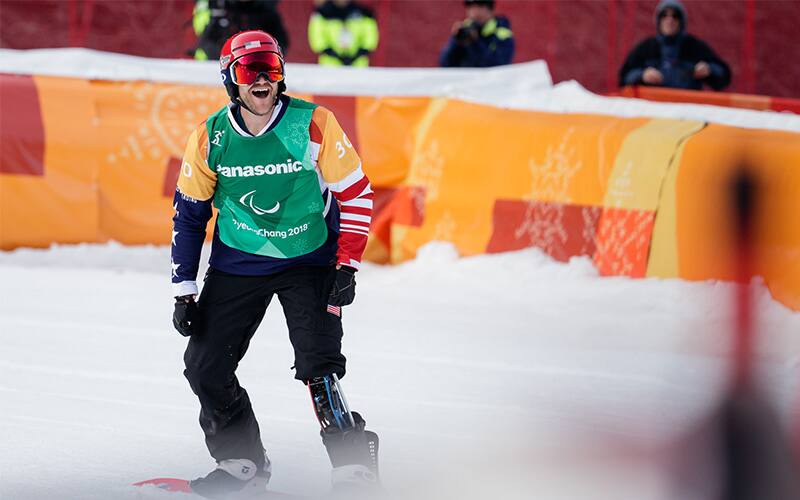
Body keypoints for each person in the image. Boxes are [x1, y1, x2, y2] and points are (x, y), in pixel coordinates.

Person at [171, 30, 379, 499]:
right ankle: (242, 461)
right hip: (239, 262)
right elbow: (189, 216)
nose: (262, 79)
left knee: (318, 361)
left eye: (272, 67)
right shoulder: (210, 138)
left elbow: (356, 192)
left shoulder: (312, 123)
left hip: (309, 258)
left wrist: (346, 266)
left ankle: (352, 463)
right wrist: (183, 290)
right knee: (204, 366)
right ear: (230, 80)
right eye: (249, 70)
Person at [618, 0, 731, 91]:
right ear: (658, 20)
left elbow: (724, 75)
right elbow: (624, 77)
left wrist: (709, 69)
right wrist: (642, 75)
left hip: (688, 109)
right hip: (653, 109)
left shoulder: (695, 47)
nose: (669, 20)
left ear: (682, 21)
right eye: (664, 15)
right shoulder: (646, 48)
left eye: (675, 16)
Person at [192, 0, 289, 60]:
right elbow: (207, 42)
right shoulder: (216, 8)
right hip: (213, 66)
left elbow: (281, 44)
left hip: (254, 68)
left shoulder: (265, 11)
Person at [439, 0, 514, 68]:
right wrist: (456, 40)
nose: (475, 12)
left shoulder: (502, 34)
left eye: (480, 6)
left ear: (491, 9)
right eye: (470, 7)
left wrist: (475, 42)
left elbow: (497, 65)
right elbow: (445, 63)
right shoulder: (464, 29)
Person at [308, 0, 379, 67]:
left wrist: (358, 55)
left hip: (357, 67)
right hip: (330, 67)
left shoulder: (362, 13)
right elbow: (317, 37)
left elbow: (370, 36)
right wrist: (333, 54)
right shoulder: (323, 13)